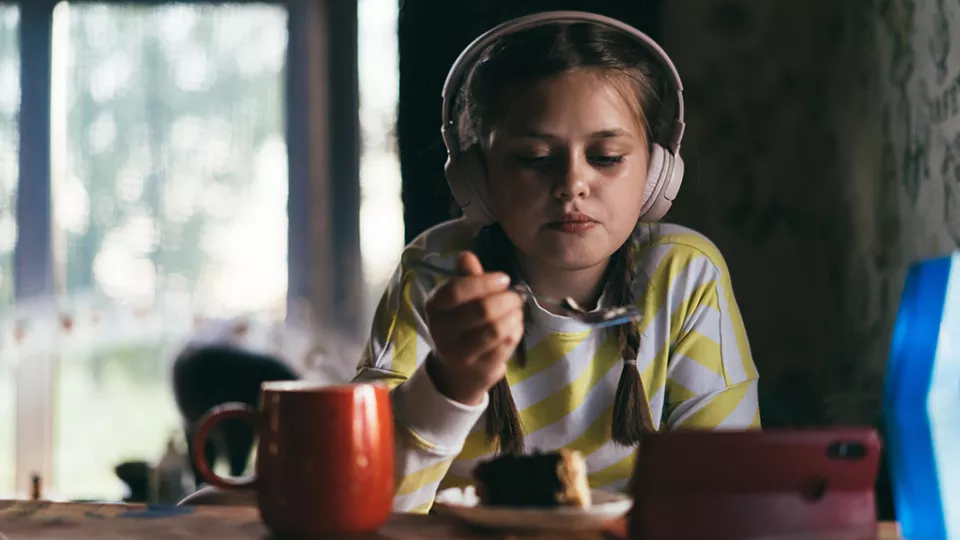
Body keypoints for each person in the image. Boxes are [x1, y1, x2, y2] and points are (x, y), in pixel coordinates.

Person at [354, 11, 760, 513]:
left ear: (656, 174)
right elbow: (362, 502)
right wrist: (448, 384)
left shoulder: (685, 277)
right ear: (478, 178)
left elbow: (729, 503)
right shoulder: (434, 275)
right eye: (534, 158)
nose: (573, 184)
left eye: (607, 157)